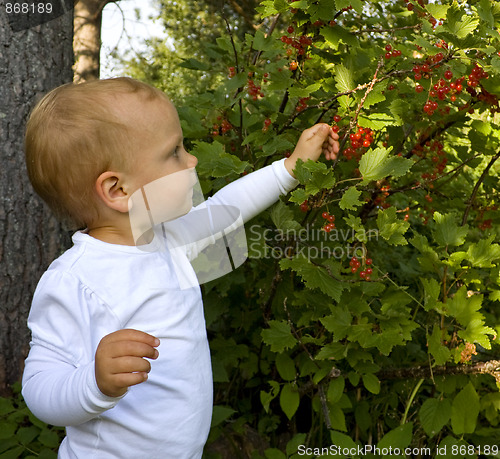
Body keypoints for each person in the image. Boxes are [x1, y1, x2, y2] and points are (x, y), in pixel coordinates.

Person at [22, 77, 339, 458]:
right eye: (174, 152)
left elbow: (226, 210)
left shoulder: (165, 237)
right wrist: (94, 383)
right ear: (118, 191)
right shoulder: (76, 279)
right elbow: (39, 386)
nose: (192, 160)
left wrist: (289, 169)